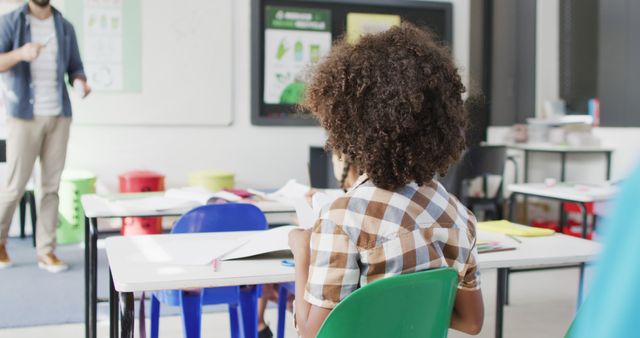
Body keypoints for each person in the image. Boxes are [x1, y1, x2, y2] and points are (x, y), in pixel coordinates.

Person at [288, 23, 484, 337]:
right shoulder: (456, 214)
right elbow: (472, 323)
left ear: (345, 125)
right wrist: (407, 305)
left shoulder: (341, 219)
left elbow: (312, 334)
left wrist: (302, 255)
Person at [0, 0, 91, 272]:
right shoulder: (10, 22)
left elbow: (75, 67)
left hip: (59, 115)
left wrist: (79, 83)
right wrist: (21, 54)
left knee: (51, 187)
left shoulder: (64, 27)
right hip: (23, 117)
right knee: (15, 185)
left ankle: (46, 251)